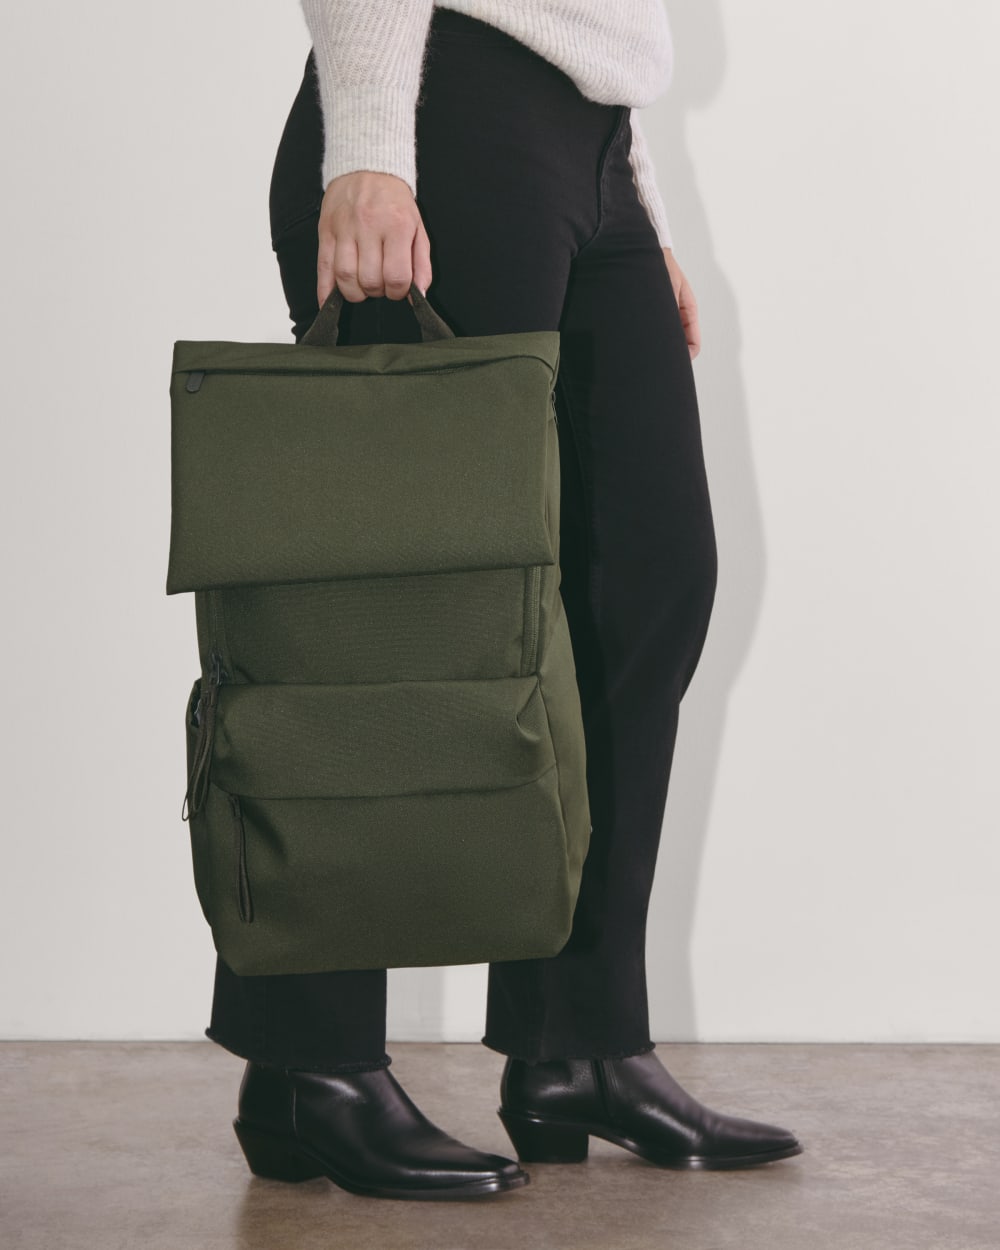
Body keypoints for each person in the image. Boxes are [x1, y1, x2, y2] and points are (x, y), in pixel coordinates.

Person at [206, 1, 803, 1200]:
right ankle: (308, 1059)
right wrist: (369, 148)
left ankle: (578, 1043)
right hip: (441, 116)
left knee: (645, 583)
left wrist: (631, 197)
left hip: (587, 148)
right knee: (397, 612)